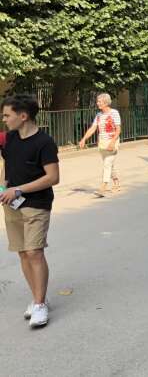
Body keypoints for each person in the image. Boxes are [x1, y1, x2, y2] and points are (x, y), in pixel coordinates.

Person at [1, 95, 60, 328]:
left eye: (7, 115)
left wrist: (17, 190)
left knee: (34, 251)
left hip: (36, 204)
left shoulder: (44, 142)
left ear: (22, 116)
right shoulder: (10, 139)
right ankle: (38, 298)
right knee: (23, 253)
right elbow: (7, 166)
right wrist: (3, 188)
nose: (4, 119)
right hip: (12, 204)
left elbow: (53, 177)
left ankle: (39, 304)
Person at [78, 93, 122, 197]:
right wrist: (84, 139)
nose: (97, 103)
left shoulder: (114, 113)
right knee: (109, 165)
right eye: (97, 101)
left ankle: (103, 186)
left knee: (107, 164)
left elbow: (118, 129)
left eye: (99, 102)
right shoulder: (98, 115)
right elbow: (93, 128)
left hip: (113, 141)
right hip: (102, 143)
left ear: (106, 102)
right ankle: (116, 182)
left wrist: (113, 142)